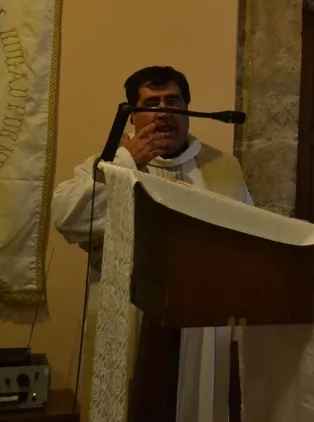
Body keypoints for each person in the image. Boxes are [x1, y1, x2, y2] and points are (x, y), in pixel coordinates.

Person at [52, 65, 252, 422]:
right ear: (132, 116)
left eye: (172, 102)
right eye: (151, 103)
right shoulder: (110, 164)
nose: (163, 113)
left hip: (204, 324)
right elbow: (68, 218)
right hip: (133, 316)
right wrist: (128, 163)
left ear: (187, 109)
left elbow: (249, 239)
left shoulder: (224, 168)